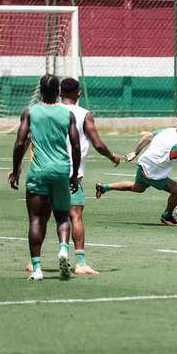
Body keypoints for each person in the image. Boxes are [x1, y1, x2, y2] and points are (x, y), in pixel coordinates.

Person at [9, 74, 81, 282]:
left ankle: (37, 268)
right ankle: (64, 250)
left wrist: (16, 171)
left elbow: (20, 143)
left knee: (36, 219)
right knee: (62, 216)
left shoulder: (30, 112)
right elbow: (75, 146)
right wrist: (74, 174)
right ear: (58, 92)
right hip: (61, 170)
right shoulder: (67, 114)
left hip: (38, 171)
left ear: (40, 90)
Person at [59, 78, 121, 275]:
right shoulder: (84, 114)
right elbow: (98, 143)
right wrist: (112, 156)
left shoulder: (49, 110)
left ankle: (33, 262)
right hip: (71, 172)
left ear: (60, 93)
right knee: (75, 215)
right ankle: (80, 263)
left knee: (42, 216)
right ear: (79, 93)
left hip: (47, 170)